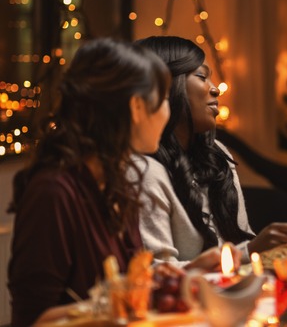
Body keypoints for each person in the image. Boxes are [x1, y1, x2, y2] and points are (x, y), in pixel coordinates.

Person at [7, 39, 171, 326]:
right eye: (165, 98)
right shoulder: (54, 193)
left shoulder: (118, 183)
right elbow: (33, 318)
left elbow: (126, 284)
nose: (168, 111)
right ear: (136, 107)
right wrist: (115, 308)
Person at [134, 36, 287, 270]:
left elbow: (236, 246)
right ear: (167, 88)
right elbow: (156, 273)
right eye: (201, 76)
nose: (214, 88)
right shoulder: (144, 171)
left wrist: (254, 248)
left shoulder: (216, 153)